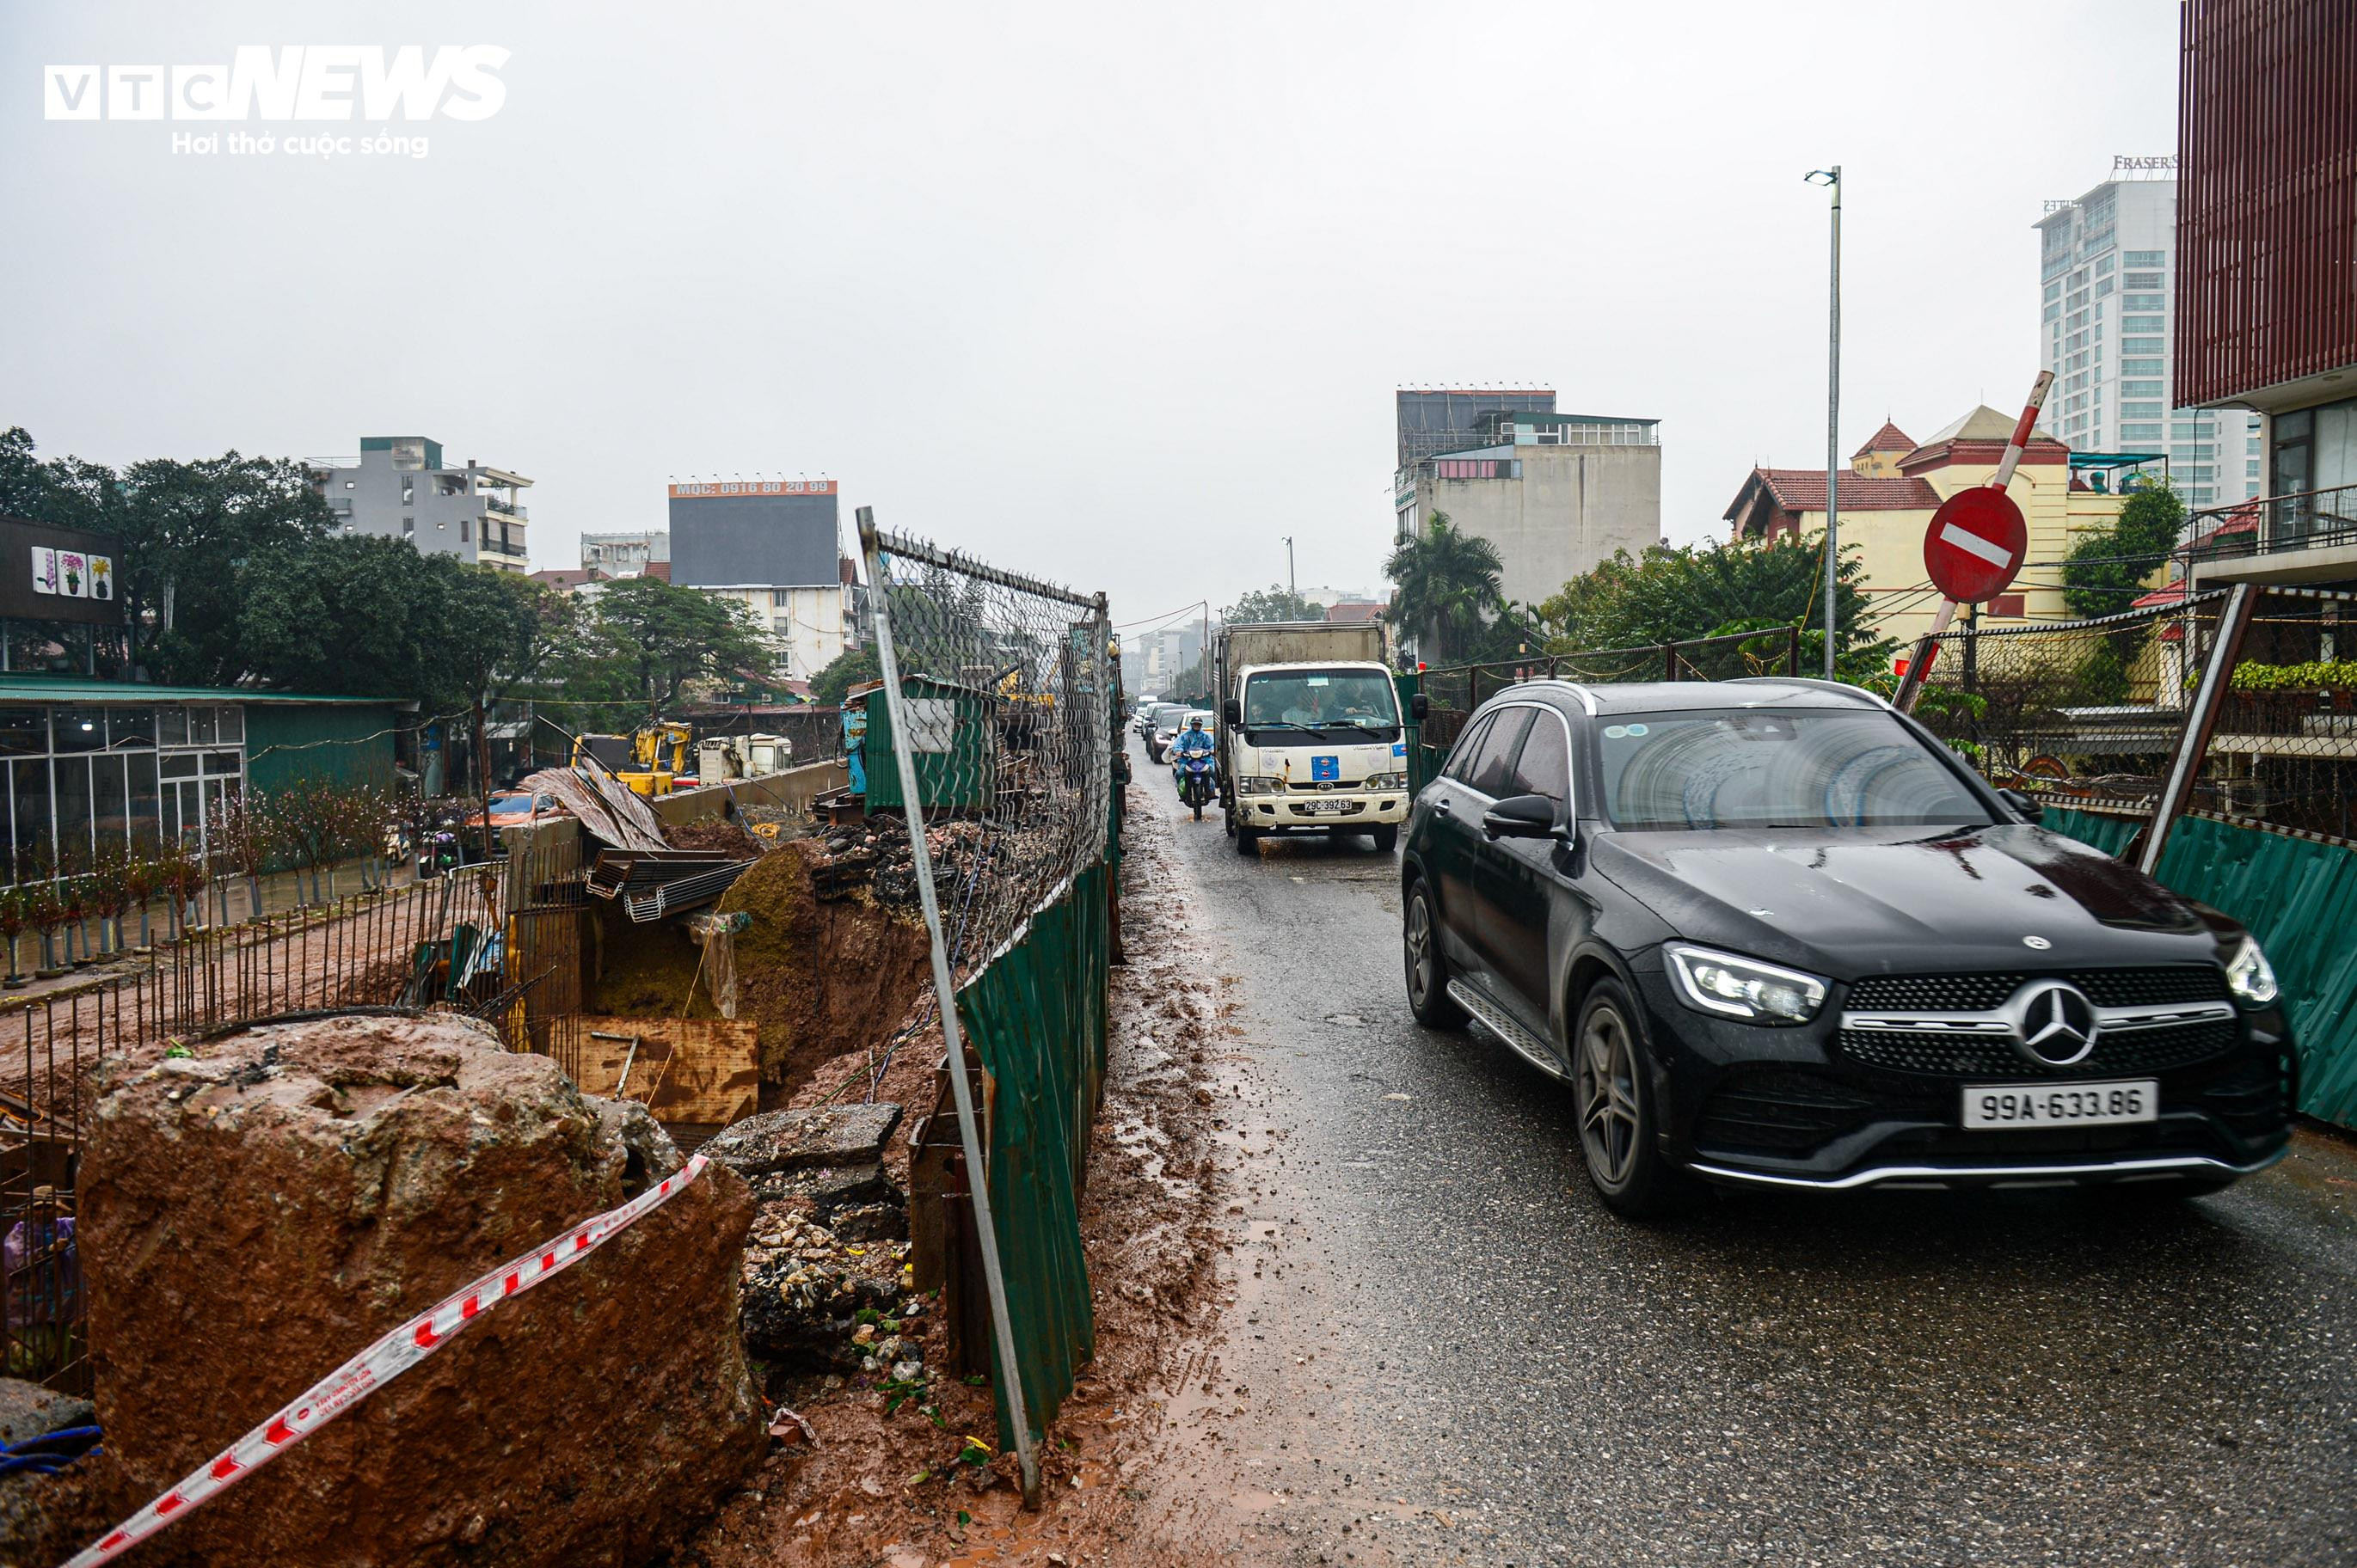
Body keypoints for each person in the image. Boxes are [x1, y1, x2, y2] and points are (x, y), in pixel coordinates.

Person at [1170, 714, 1215, 791]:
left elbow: (1212, 745)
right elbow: (1178, 745)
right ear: (1192, 725)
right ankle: (1181, 790)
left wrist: (1212, 750)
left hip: (1204, 760)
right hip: (1187, 760)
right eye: (1195, 724)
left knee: (1212, 771)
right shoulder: (1185, 736)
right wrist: (1179, 751)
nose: (1196, 726)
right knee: (1179, 773)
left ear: (1201, 725)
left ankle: (1211, 790)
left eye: (1198, 724)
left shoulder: (1206, 736)